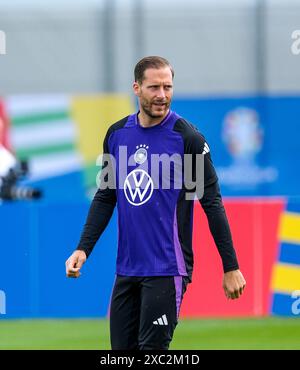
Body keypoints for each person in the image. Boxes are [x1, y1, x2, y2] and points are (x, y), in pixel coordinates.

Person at [65, 56, 246, 350]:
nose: (162, 95)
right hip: (126, 269)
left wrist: (231, 266)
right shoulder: (117, 134)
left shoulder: (187, 138)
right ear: (137, 88)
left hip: (167, 268)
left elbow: (211, 203)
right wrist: (83, 248)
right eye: (154, 87)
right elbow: (106, 195)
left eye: (168, 87)